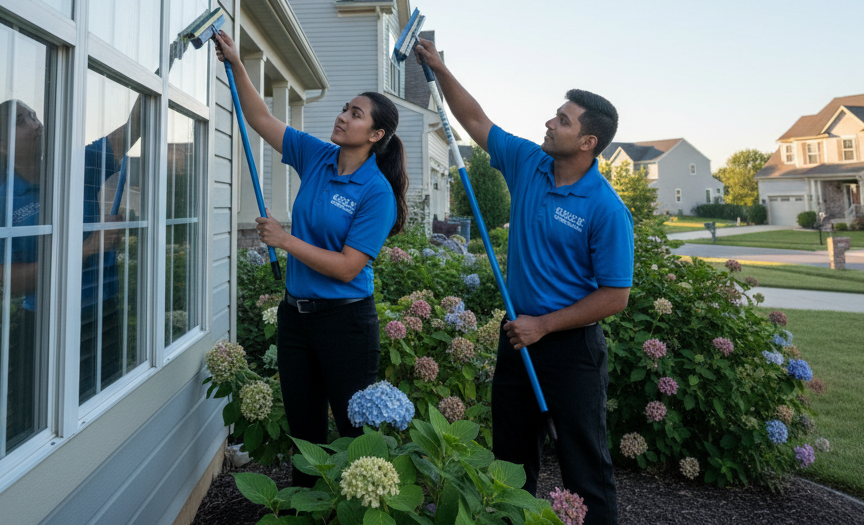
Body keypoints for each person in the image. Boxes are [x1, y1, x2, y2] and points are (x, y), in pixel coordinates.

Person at [413, 37, 633, 525]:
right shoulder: (530, 164)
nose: (549, 123)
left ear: (587, 142)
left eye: (563, 120)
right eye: (555, 114)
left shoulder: (605, 208)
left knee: (585, 468)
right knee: (510, 465)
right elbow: (476, 121)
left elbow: (616, 296)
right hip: (517, 339)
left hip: (571, 351)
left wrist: (546, 326)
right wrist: (439, 69)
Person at [213, 30, 408, 486]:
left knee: (353, 430)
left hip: (346, 324)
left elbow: (347, 267)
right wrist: (238, 63)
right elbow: (260, 118)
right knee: (304, 431)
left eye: (355, 114)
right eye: (344, 108)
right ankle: (308, 512)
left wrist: (285, 240)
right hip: (295, 318)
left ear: (375, 134)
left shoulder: (375, 192)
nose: (342, 116)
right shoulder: (318, 156)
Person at [0, 97, 140, 414]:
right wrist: (90, 246)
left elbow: (135, 129)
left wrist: (167, 65)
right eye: (22, 121)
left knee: (102, 410)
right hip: (45, 324)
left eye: (35, 116)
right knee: (41, 418)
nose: (37, 124)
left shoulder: (78, 168)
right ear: (1, 145)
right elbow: (12, 280)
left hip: (101, 312)